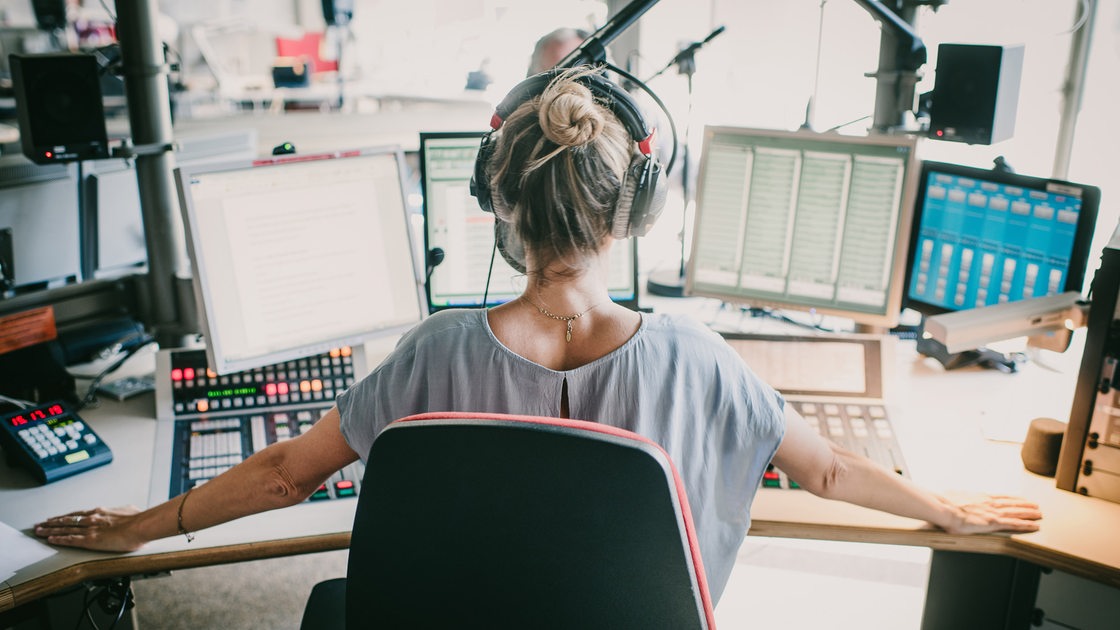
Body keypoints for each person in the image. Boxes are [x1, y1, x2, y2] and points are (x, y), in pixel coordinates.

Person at [34, 66, 1042, 604]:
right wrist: (944, 512)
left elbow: (288, 475)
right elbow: (826, 474)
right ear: (634, 213)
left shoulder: (432, 352)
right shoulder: (697, 358)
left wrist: (143, 526)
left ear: (497, 207)